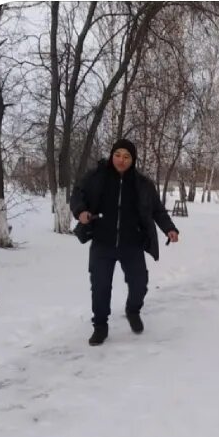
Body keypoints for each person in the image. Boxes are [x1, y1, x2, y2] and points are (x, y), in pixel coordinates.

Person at [70, 138, 179, 346]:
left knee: (140, 284)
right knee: (100, 287)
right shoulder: (96, 177)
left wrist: (170, 229)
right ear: (112, 155)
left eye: (127, 157)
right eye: (118, 155)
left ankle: (133, 310)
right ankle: (100, 326)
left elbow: (157, 209)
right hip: (103, 243)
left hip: (132, 243)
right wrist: (81, 211)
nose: (121, 160)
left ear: (133, 160)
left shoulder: (142, 184)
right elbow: (77, 194)